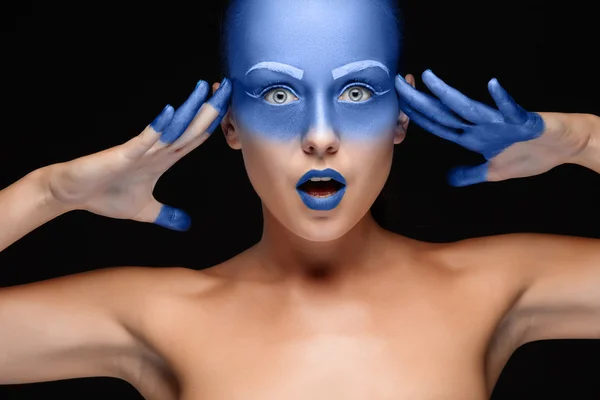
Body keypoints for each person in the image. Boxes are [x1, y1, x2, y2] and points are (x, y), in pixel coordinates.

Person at [0, 0, 599, 399]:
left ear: (402, 116)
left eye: (358, 91)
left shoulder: (492, 286)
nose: (320, 136)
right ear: (229, 122)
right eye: (280, 94)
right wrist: (48, 192)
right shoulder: (160, 313)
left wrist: (586, 141)